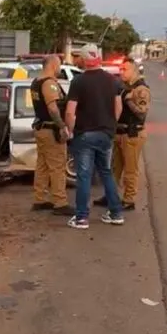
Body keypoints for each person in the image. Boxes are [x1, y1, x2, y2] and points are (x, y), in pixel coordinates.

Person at [64, 43, 125, 229]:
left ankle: (81, 218)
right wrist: (110, 126)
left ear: (84, 59)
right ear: (98, 57)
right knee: (106, 172)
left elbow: (69, 111)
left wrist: (69, 129)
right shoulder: (112, 80)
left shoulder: (78, 81)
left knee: (84, 176)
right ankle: (116, 213)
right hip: (106, 134)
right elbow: (118, 106)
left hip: (84, 135)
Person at [94, 57, 151, 211]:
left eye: (124, 69)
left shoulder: (141, 89)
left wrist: (128, 101)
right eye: (120, 69)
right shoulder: (123, 87)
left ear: (134, 70)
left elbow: (142, 113)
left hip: (132, 133)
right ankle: (110, 195)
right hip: (119, 132)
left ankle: (129, 199)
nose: (121, 72)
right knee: (114, 168)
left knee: (130, 169)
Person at [29, 55, 74, 215]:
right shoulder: (49, 83)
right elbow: (53, 108)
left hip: (41, 128)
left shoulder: (36, 82)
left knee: (42, 165)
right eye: (59, 64)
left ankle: (39, 199)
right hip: (51, 130)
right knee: (57, 166)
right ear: (53, 65)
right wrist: (62, 126)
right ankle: (60, 202)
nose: (60, 68)